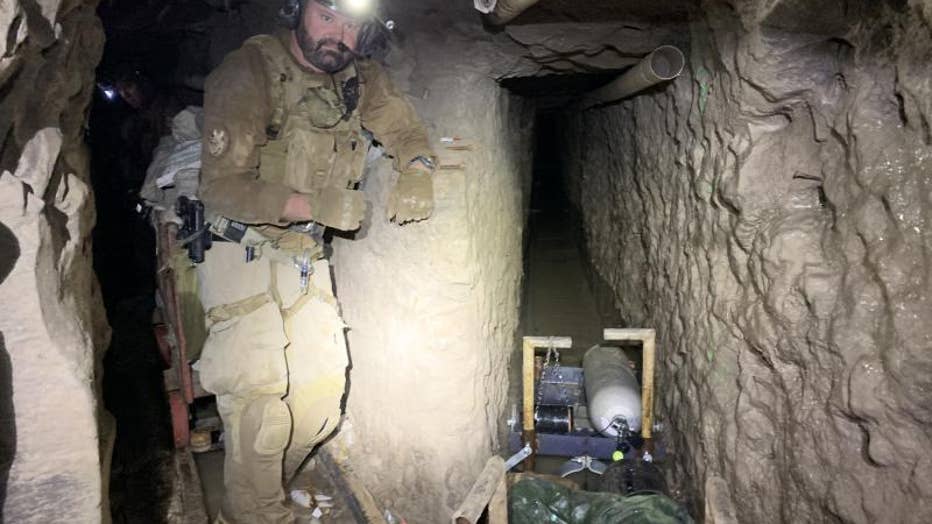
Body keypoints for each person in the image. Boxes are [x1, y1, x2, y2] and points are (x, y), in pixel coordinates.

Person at [195, 0, 435, 522]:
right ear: (297, 11)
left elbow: (406, 132)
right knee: (262, 408)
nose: (339, 35)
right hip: (241, 247)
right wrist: (312, 206)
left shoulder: (360, 78)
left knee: (320, 402)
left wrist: (417, 169)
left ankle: (259, 489)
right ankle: (254, 513)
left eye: (352, 24)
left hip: (303, 255)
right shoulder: (251, 71)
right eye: (327, 16)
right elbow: (220, 187)